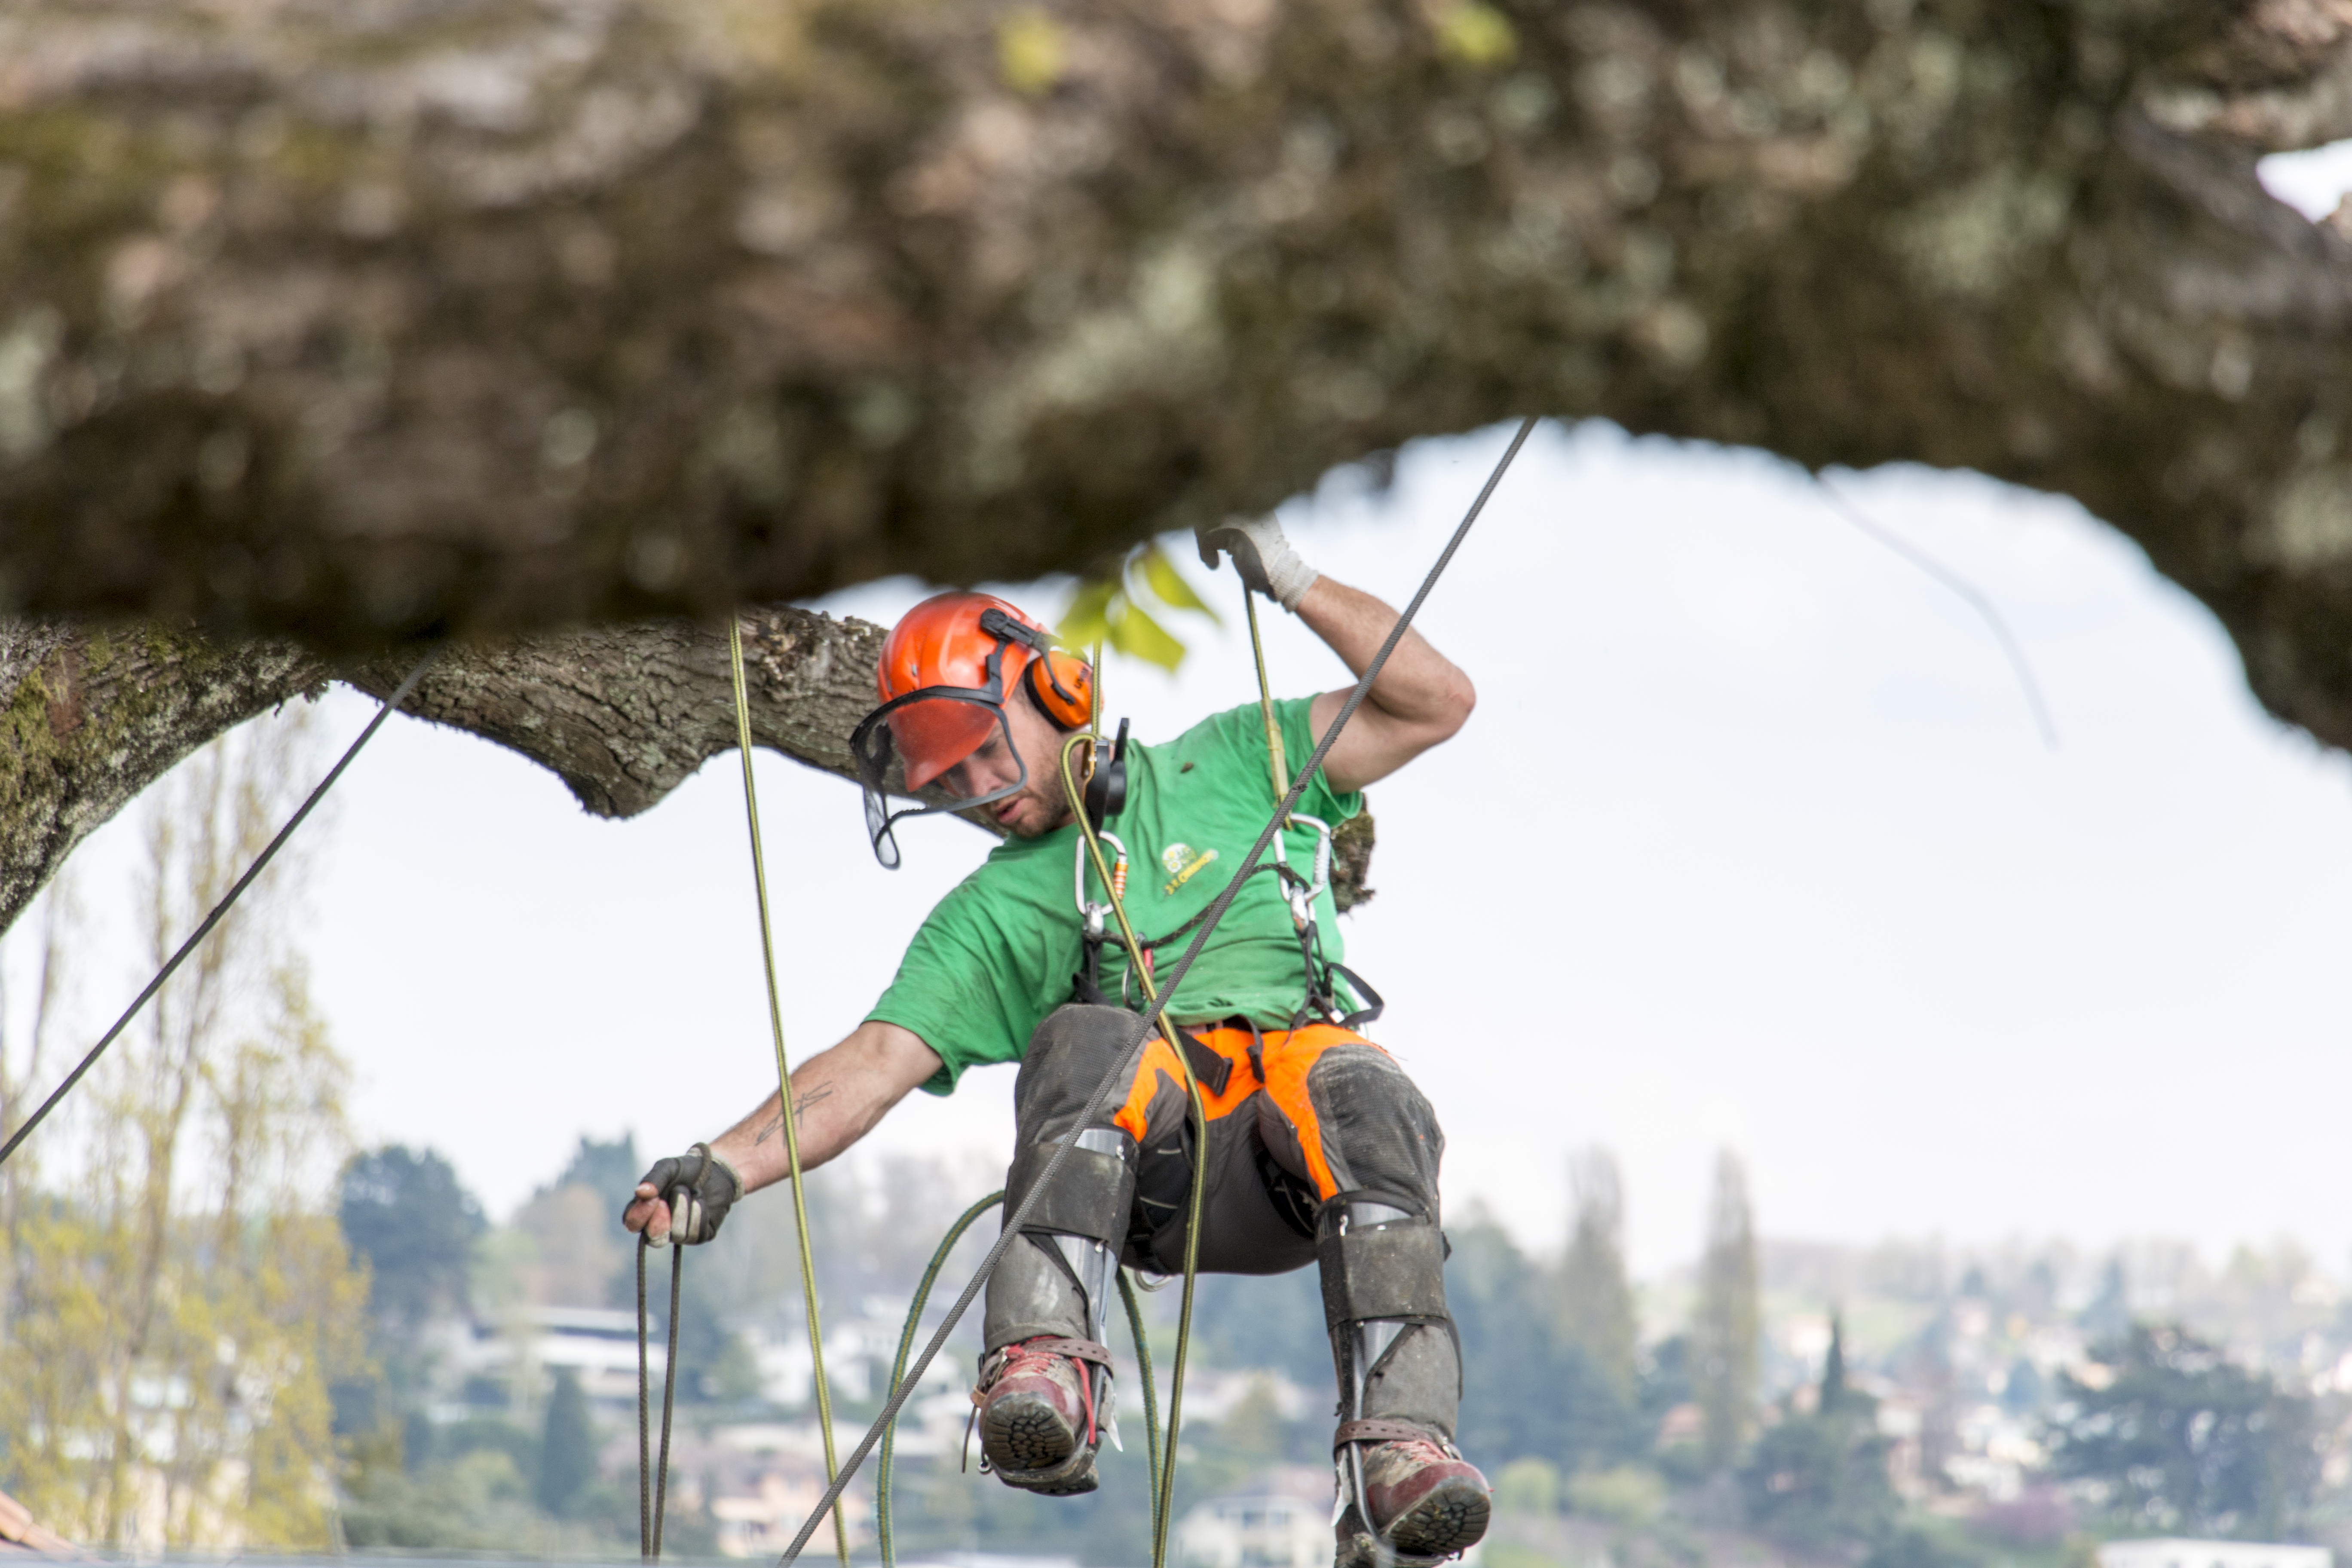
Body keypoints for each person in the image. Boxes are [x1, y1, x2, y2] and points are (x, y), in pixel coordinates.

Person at [623, 517, 1490, 1565]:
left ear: (1058, 693)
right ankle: (1043, 1375)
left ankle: (1397, 1453)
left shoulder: (1233, 763)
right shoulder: (997, 913)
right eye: (948, 786)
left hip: (1297, 1162)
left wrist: (1297, 582)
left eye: (986, 755)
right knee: (1094, 1038)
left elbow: (1433, 702)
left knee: (1355, 1076)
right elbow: (873, 1063)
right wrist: (723, 1165)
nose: (980, 793)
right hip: (1151, 1178)